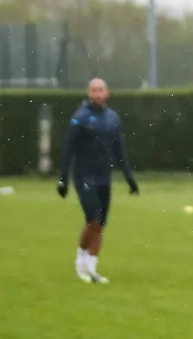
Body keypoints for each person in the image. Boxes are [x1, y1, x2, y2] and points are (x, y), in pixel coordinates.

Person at [56, 77, 139, 284]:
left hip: (104, 177)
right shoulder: (80, 118)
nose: (97, 94)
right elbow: (68, 149)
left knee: (100, 223)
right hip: (84, 176)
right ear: (89, 93)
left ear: (107, 93)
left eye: (101, 90)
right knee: (93, 219)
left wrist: (129, 178)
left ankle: (91, 269)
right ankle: (80, 260)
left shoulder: (113, 118)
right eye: (94, 90)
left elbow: (120, 150)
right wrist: (63, 179)